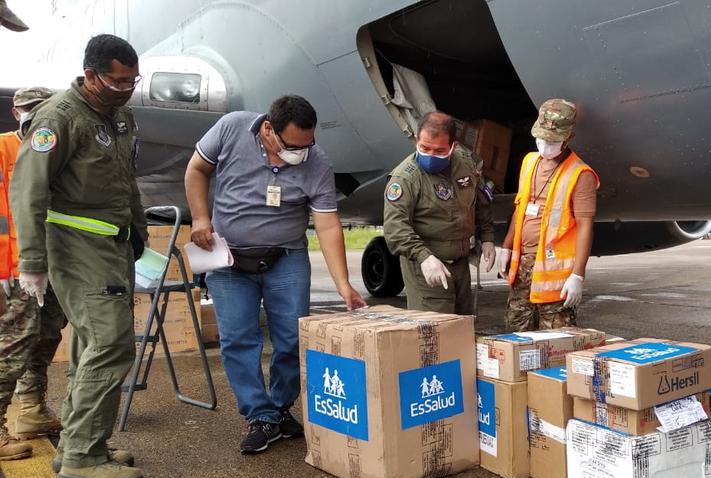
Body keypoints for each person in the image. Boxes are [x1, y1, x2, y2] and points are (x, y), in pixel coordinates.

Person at [185, 95, 367, 455]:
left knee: (291, 338)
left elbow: (328, 224)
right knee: (239, 339)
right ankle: (259, 415)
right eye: (292, 146)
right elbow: (196, 169)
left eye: (307, 145)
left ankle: (281, 407)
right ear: (268, 129)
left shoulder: (317, 163)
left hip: (286, 257)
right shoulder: (232, 127)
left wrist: (344, 285)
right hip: (230, 260)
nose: (301, 153)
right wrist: (200, 217)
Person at [10, 34, 146, 478]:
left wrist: (138, 231)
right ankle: (84, 459)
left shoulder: (121, 116)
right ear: (90, 75)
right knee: (110, 343)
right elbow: (27, 189)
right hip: (75, 246)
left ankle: (80, 444)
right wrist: (32, 261)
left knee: (94, 345)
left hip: (114, 247)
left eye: (132, 80)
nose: (125, 88)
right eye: (116, 81)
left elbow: (127, 180)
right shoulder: (58, 119)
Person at [0, 87, 68, 461]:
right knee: (12, 345)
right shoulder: (3, 148)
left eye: (42, 109)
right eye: (29, 109)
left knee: (44, 337)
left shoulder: (55, 152)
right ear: (16, 112)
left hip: (52, 262)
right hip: (13, 265)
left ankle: (31, 410)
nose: (36, 116)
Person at [498, 99, 598, 331]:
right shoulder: (529, 162)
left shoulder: (580, 174)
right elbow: (520, 207)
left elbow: (585, 226)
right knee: (516, 333)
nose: (544, 145)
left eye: (551, 141)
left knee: (555, 340)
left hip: (556, 276)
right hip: (522, 265)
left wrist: (578, 275)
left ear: (568, 138)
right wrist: (508, 246)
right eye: (540, 138)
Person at [383, 111, 495, 315]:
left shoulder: (465, 163)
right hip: (427, 267)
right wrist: (424, 257)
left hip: (460, 264)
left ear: (453, 146)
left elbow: (479, 202)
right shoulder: (405, 178)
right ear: (417, 140)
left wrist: (487, 237)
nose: (431, 156)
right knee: (435, 336)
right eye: (425, 148)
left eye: (439, 150)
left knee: (462, 330)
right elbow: (395, 229)